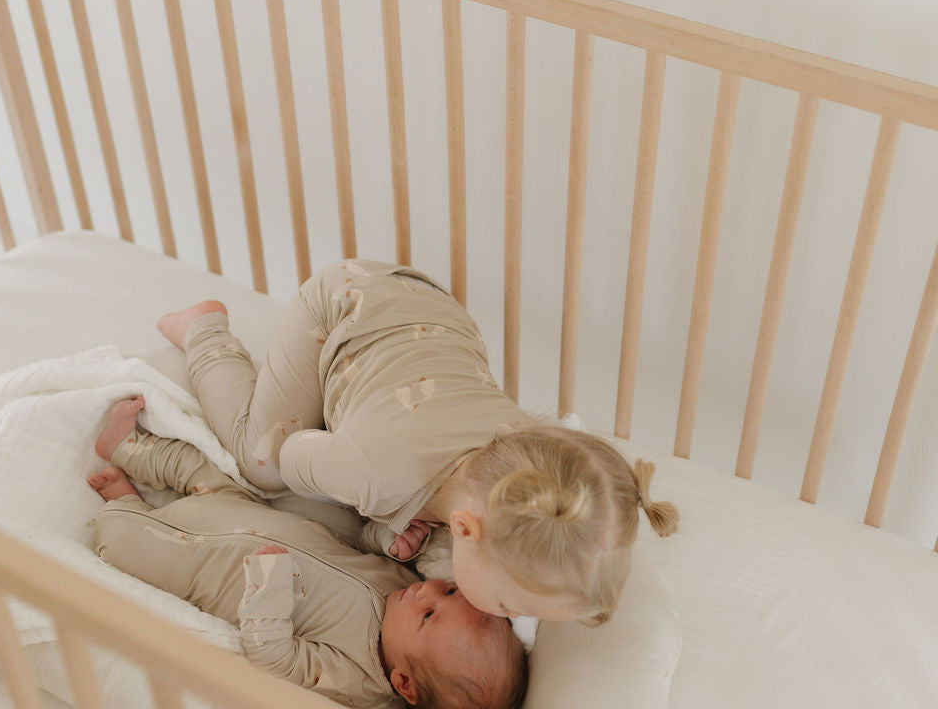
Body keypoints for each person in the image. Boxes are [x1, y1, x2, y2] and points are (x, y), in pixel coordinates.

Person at [153, 259, 679, 629]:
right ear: (465, 529)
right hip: (342, 306)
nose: (513, 619)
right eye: (508, 607)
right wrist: (372, 512)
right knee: (260, 462)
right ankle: (204, 328)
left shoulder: (527, 452)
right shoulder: (370, 473)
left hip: (435, 309)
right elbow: (297, 458)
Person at [88, 401, 528, 709]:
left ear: (404, 684)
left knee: (121, 542)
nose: (428, 593)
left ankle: (125, 504)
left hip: (202, 563)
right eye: (449, 591)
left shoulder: (355, 677)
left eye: (429, 616)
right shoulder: (403, 586)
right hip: (249, 512)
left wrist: (270, 587)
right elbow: (356, 542)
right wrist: (387, 543)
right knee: (202, 472)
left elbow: (275, 657)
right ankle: (126, 446)